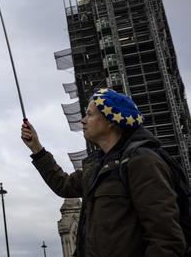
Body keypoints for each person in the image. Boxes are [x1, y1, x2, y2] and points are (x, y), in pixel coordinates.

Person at [20, 88, 185, 256]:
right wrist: (36, 148)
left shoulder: (142, 162)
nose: (83, 120)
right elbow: (64, 185)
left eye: (90, 115)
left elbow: (166, 239)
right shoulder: (98, 165)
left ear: (111, 121)